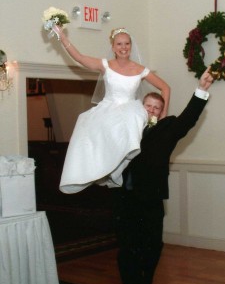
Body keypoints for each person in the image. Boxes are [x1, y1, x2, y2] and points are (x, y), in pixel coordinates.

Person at [113, 66, 214, 284]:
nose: (152, 110)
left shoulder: (166, 130)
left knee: (153, 246)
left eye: (157, 107)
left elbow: (188, 119)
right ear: (140, 107)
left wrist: (200, 90)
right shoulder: (124, 129)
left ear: (161, 112)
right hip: (125, 200)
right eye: (148, 106)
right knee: (127, 249)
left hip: (151, 200)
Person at [53, 27, 170, 193]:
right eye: (119, 44)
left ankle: (119, 167)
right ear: (113, 47)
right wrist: (62, 37)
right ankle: (96, 169)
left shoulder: (140, 69)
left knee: (131, 124)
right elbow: (80, 58)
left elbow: (165, 88)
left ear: (131, 46)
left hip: (131, 109)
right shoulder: (106, 65)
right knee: (85, 125)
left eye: (127, 43)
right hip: (109, 107)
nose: (124, 47)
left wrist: (162, 118)